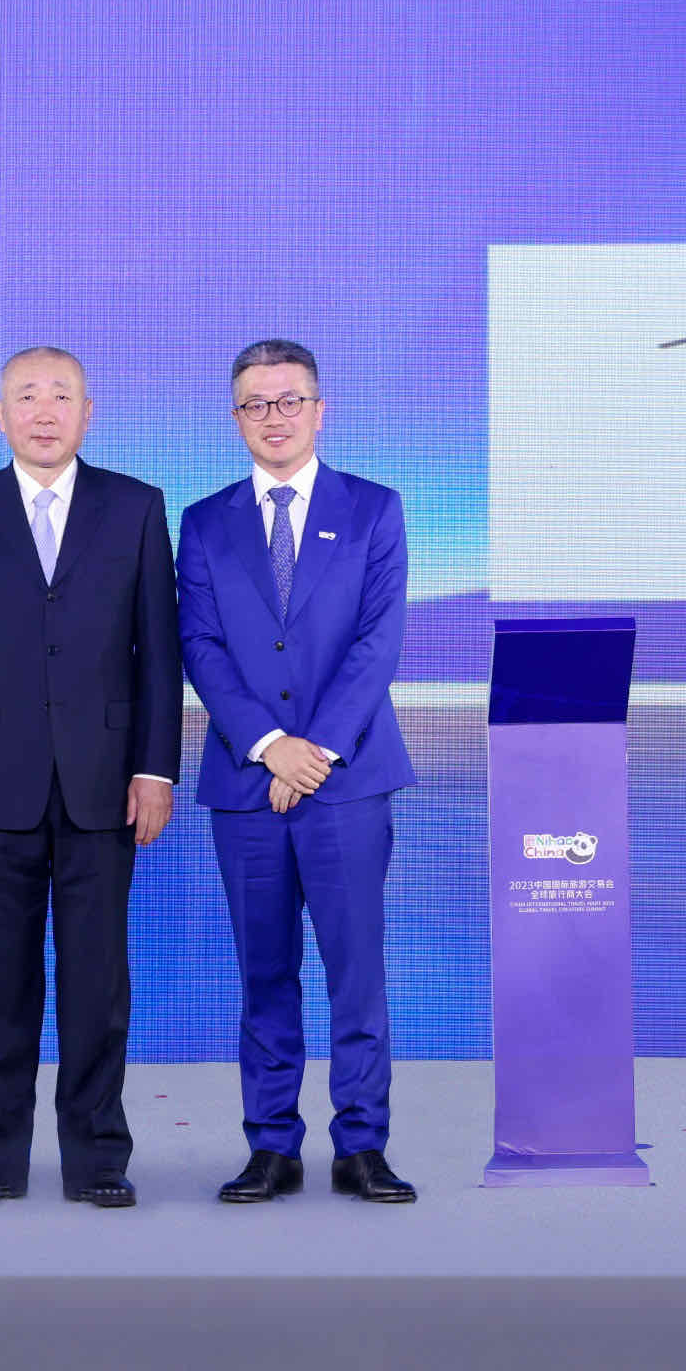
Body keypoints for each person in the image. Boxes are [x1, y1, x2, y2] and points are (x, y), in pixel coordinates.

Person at [0, 346, 181, 1209]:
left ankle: (98, 1157)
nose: (44, 410)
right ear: (0, 415)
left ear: (87, 413)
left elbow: (159, 654)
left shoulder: (136, 507)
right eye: (26, 396)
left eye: (61, 395)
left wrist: (156, 767)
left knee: (98, 982)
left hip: (107, 782)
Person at [176, 338, 419, 1205]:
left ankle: (363, 1144)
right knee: (264, 975)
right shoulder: (204, 522)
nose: (273, 417)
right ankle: (271, 1144)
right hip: (247, 786)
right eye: (256, 403)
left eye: (289, 400)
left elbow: (377, 642)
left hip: (346, 781)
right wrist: (267, 744)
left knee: (356, 973)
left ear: (320, 410)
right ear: (235, 417)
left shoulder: (374, 509)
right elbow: (200, 644)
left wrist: (310, 752)